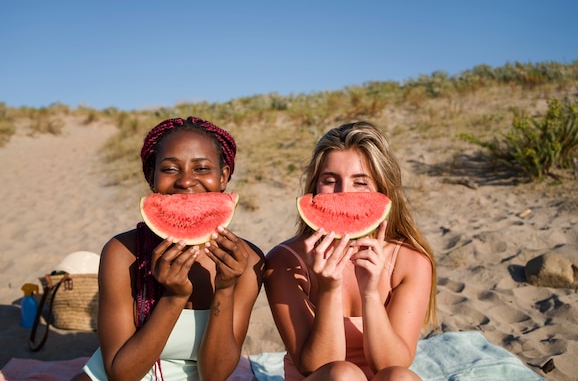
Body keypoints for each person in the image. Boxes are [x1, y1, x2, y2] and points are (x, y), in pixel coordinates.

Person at [71, 116, 264, 381]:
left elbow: (214, 375)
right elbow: (121, 374)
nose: (185, 181)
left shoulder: (247, 260)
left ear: (223, 176)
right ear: (151, 177)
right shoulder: (122, 253)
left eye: (202, 169)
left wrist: (226, 288)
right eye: (170, 169)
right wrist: (174, 297)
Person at [264, 120, 436, 381]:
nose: (344, 194)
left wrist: (370, 293)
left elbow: (391, 365)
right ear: (314, 188)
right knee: (343, 374)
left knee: (401, 377)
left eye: (360, 182)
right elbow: (314, 365)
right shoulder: (284, 262)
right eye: (330, 180)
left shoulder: (411, 262)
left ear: (383, 189)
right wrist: (329, 289)